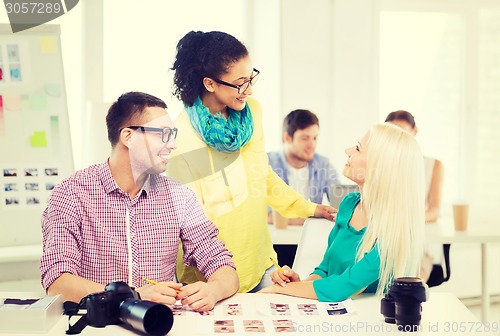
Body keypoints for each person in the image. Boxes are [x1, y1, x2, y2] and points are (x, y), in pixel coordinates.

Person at [167, 30, 335, 293]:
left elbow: (261, 174)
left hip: (261, 262)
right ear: (210, 83)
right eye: (240, 82)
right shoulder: (181, 140)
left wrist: (308, 208)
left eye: (251, 77)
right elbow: (190, 222)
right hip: (211, 275)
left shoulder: (251, 113)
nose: (250, 89)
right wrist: (218, 283)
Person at [40, 91, 238, 312]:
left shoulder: (179, 195)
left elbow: (221, 263)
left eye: (172, 134)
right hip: (96, 326)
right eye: (163, 134)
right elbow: (57, 281)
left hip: (156, 325)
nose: (172, 145)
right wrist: (130, 297)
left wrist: (215, 289)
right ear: (128, 137)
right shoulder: (71, 193)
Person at [259, 123, 426, 301]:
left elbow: (341, 288)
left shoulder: (394, 231)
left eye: (358, 149)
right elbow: (325, 270)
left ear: (380, 166)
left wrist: (280, 290)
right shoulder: (349, 205)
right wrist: (296, 284)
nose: (348, 150)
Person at [268, 108, 341, 221]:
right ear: (287, 138)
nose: (312, 144)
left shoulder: (323, 165)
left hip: (310, 236)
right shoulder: (267, 163)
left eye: (315, 138)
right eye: (305, 138)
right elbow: (261, 215)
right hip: (276, 237)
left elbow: (340, 209)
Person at [385, 110, 444, 223]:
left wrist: (406, 222)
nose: (397, 138)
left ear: (415, 131)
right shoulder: (379, 164)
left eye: (402, 132)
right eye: (391, 133)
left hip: (419, 229)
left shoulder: (434, 165)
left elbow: (434, 210)